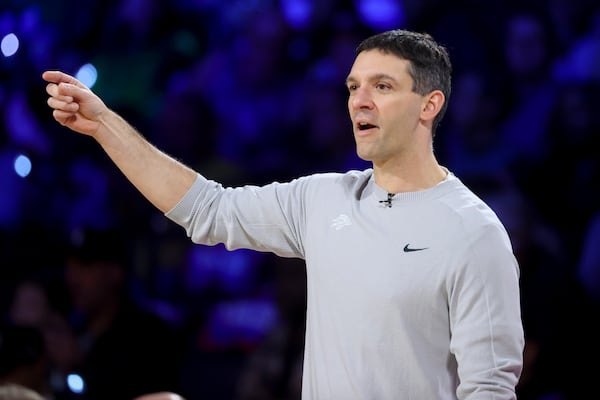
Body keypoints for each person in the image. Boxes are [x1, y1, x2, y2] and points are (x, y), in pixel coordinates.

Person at [42, 29, 524, 399]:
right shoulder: (321, 199)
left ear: (429, 105)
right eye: (354, 86)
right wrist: (105, 125)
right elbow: (207, 209)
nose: (360, 99)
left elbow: (489, 389)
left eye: (382, 86)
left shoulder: (472, 232)